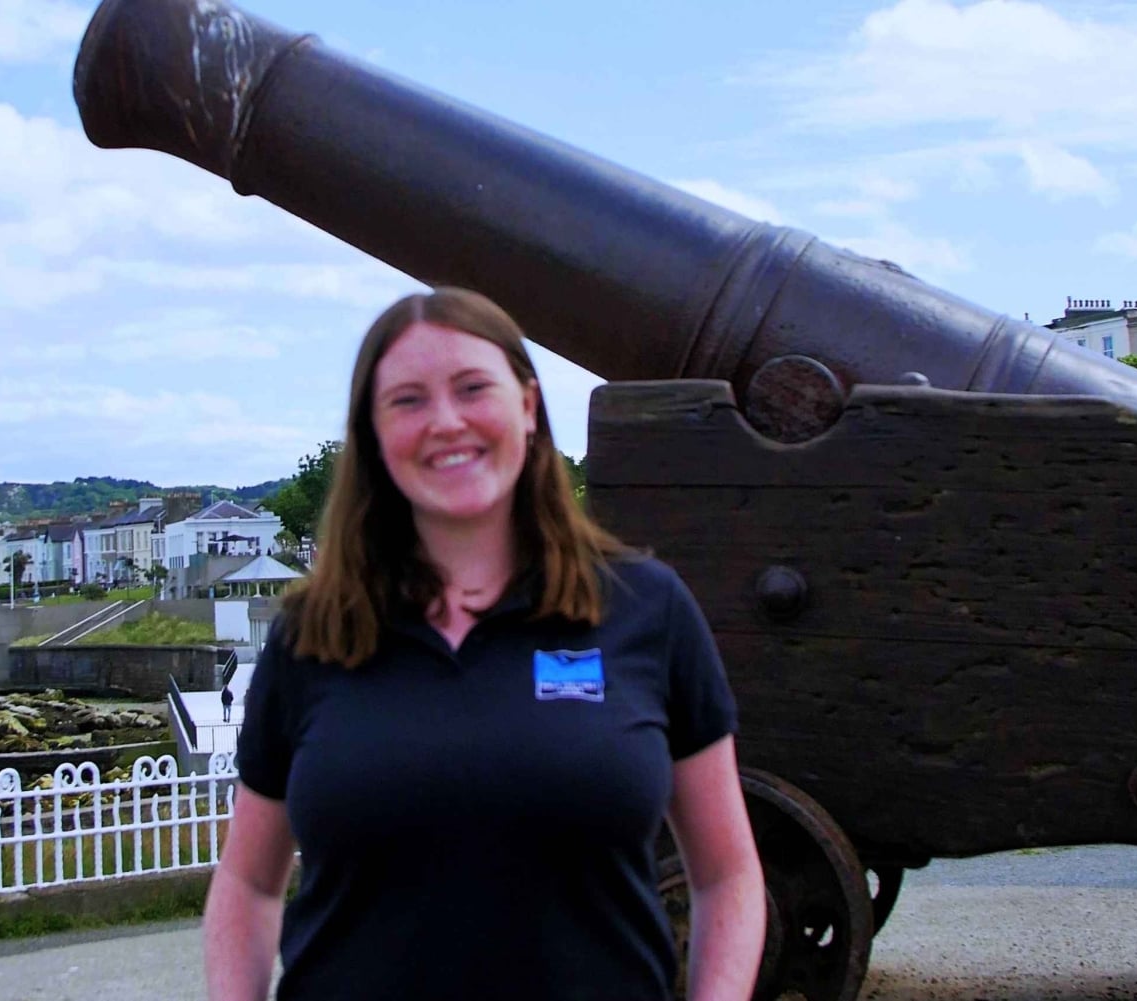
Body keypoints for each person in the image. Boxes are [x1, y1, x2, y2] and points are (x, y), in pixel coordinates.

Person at [204, 287, 765, 1001]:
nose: (446, 421)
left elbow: (727, 874)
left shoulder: (646, 610)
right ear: (373, 435)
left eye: (473, 388)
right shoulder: (311, 634)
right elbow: (249, 884)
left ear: (528, 407)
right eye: (407, 400)